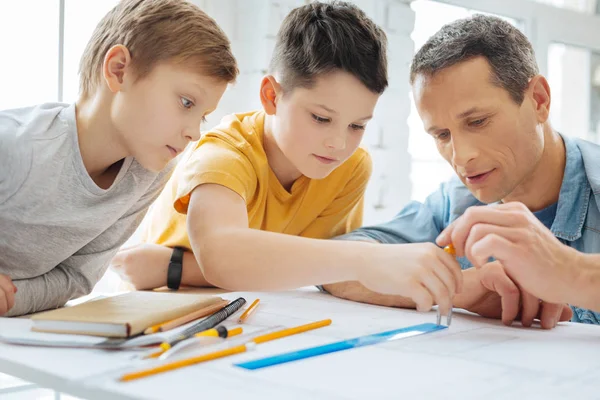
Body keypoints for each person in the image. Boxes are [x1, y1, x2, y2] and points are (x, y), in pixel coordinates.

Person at [110, 1, 462, 317]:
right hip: (162, 316)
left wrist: (175, 267)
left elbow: (319, 274)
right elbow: (225, 258)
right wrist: (370, 258)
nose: (338, 144)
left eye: (357, 125)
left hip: (254, 316)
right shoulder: (225, 152)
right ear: (271, 96)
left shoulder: (351, 168)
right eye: (321, 118)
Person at [323, 14, 600, 328]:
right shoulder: (452, 205)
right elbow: (333, 264)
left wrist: (570, 272)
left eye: (478, 121)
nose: (461, 156)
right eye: (442, 135)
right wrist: (457, 288)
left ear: (538, 100)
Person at [0, 0, 238, 317]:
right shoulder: (16, 146)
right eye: (185, 102)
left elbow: (76, 278)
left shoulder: (149, 173)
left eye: (203, 117)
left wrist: (10, 300)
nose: (194, 133)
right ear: (119, 70)